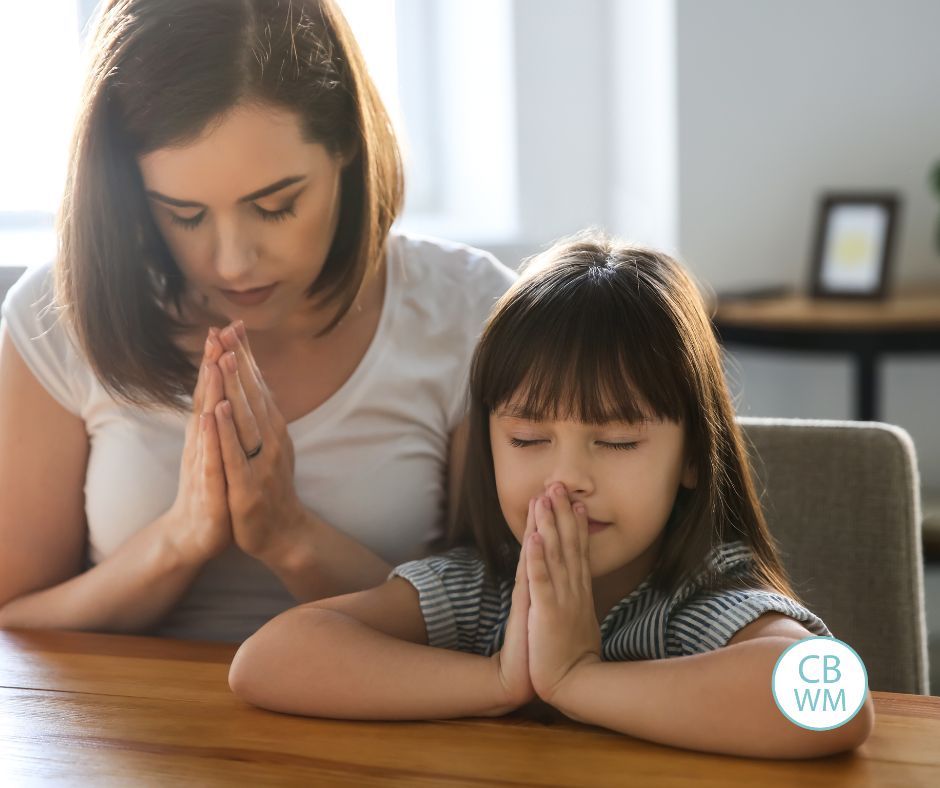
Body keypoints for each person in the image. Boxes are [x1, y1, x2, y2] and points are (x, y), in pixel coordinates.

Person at [228, 232, 874, 758]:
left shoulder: (694, 598)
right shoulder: (482, 591)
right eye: (530, 439)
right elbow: (265, 662)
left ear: (693, 459)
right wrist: (499, 680)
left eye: (618, 442)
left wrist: (577, 679)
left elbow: (834, 702)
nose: (566, 478)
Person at [0, 0, 514, 641]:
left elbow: (504, 625)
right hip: (123, 732)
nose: (232, 263)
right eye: (184, 215)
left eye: (275, 206)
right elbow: (14, 621)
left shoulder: (468, 310)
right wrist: (179, 541)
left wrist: (291, 537)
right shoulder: (57, 316)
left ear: (348, 145)